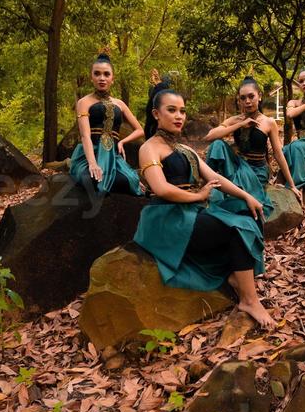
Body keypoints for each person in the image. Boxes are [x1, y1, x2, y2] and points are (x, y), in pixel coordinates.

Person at [134, 84, 274, 329]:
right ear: (156, 114)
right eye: (172, 110)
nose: (179, 116)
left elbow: (216, 179)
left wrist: (247, 197)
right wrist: (198, 197)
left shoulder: (185, 149)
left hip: (192, 211)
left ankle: (235, 275)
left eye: (182, 111)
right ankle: (249, 300)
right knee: (235, 228)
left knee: (248, 213)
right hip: (168, 218)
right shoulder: (149, 148)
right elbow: (161, 189)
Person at [205, 76, 302, 216]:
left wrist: (292, 185)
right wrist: (239, 124)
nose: (247, 102)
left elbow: (278, 154)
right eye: (243, 98)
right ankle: (205, 185)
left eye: (251, 96)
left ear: (260, 96)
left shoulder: (268, 122)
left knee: (237, 200)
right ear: (239, 100)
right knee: (218, 144)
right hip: (237, 165)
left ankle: (228, 191)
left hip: (256, 171)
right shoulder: (235, 120)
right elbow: (209, 136)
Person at [70, 52, 144, 195]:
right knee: (92, 180)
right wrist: (92, 163)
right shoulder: (84, 102)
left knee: (127, 181)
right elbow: (85, 136)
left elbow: (140, 130)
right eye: (97, 74)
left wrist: (122, 142)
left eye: (106, 74)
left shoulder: (120, 104)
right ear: (92, 77)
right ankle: (73, 165)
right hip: (89, 155)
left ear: (112, 79)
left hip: (113, 156)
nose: (101, 78)